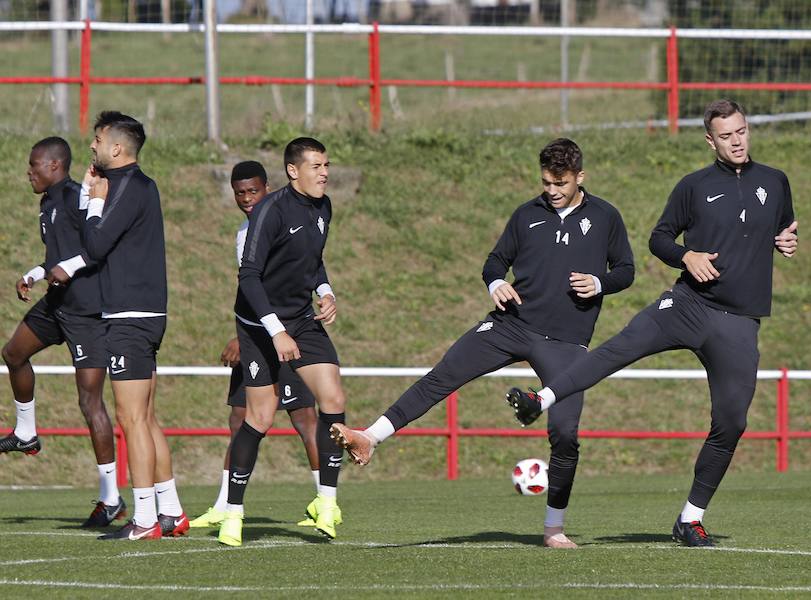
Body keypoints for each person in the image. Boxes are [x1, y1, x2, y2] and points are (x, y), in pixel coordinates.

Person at [505, 99, 799, 547]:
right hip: (687, 305)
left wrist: (786, 240)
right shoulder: (693, 186)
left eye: (741, 131)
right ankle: (539, 399)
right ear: (710, 141)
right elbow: (659, 239)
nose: (736, 141)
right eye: (726, 136)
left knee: (732, 421)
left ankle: (690, 518)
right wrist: (687, 256)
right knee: (617, 349)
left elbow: (783, 227)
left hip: (739, 322)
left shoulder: (775, 181)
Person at [331, 138, 635, 549]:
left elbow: (626, 270)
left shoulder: (605, 217)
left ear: (580, 177)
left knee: (564, 433)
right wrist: (495, 283)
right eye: (546, 181)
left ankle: (554, 529)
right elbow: (495, 261)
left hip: (566, 341)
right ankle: (370, 437)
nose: (552, 189)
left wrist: (601, 282)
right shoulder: (527, 214)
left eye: (560, 182)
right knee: (442, 376)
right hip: (512, 324)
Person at [47, 111, 188, 541]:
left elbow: (95, 244)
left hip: (130, 317)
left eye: (98, 139)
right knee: (144, 417)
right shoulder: (136, 186)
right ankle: (171, 511)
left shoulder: (127, 185)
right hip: (139, 315)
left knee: (130, 417)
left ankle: (144, 518)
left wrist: (92, 197)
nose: (91, 146)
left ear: (117, 148)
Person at [190, 161, 340, 530]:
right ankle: (226, 505)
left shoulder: (292, 212)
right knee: (243, 417)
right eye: (239, 193)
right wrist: (246, 335)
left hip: (286, 329)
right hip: (256, 330)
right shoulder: (248, 230)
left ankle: (325, 500)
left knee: (306, 418)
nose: (246, 199)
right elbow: (250, 284)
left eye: (253, 191)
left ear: (268, 186)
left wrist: (324, 291)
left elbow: (309, 260)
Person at [1, 136, 125, 528]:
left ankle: (111, 498)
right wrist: (34, 274)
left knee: (90, 404)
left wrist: (66, 269)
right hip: (56, 304)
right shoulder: (47, 203)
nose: (28, 173)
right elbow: (56, 256)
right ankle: (26, 432)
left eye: (34, 166)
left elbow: (97, 248)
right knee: (13, 353)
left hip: (86, 311)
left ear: (54, 167)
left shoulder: (76, 196)